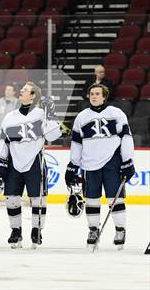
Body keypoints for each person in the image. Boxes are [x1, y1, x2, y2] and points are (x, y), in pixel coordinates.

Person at [0, 81, 61, 249]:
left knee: (38, 199)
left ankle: (37, 230)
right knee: (11, 199)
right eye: (21, 90)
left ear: (33, 95)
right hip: (14, 162)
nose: (21, 92)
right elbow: (3, 143)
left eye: (25, 90)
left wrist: (50, 113)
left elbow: (54, 134)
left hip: (35, 162)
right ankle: (16, 231)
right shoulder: (10, 117)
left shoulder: (41, 114)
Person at [66, 83, 135, 250]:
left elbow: (126, 138)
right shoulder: (82, 117)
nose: (94, 96)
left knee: (115, 198)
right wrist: (73, 164)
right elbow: (77, 143)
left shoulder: (116, 113)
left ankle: (120, 230)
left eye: (97, 93)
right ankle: (93, 230)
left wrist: (128, 160)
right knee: (91, 199)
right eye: (91, 93)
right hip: (89, 164)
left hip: (112, 161)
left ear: (104, 96)